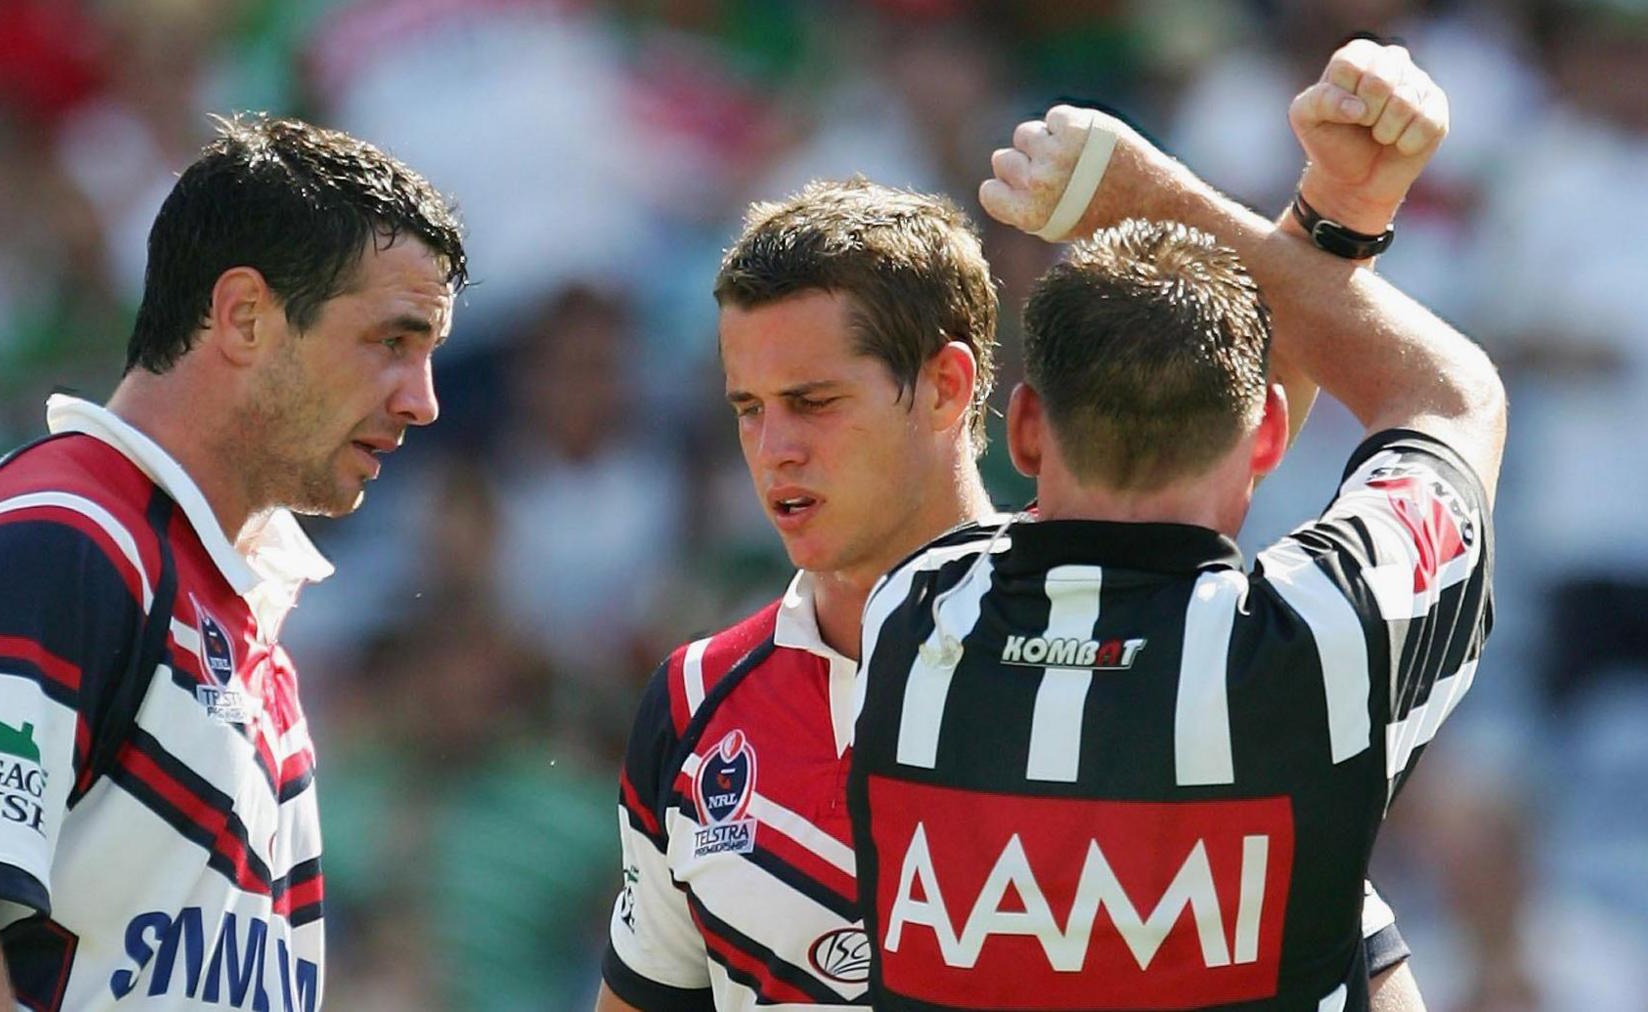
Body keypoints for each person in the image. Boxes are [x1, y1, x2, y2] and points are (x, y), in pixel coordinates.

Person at [598, 40, 1444, 1012]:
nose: (774, 447)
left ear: (950, 387)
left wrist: (1341, 207)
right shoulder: (698, 704)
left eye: (815, 400)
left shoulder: (1114, 652)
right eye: (748, 407)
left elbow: (1217, 419)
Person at [848, 41, 1496, 1012]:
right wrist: (1163, 197)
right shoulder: (1318, 634)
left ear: (1022, 427)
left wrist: (1329, 209)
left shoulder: (916, 614)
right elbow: (1449, 394)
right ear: (1271, 432)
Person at [0, 114, 466, 1010]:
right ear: (246, 316)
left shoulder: (238, 608)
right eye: (392, 342)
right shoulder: (52, 545)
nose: (424, 401)